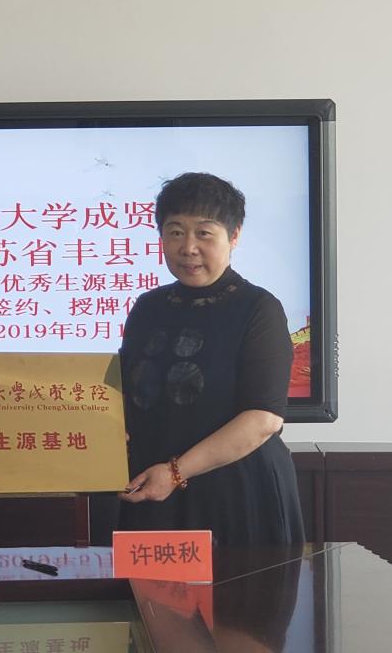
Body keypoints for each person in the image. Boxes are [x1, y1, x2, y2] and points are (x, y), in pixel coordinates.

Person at [117, 172, 304, 546]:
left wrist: (175, 473)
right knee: (146, 586)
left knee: (242, 586)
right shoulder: (147, 307)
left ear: (233, 236)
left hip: (236, 492)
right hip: (152, 488)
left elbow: (263, 419)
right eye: (175, 232)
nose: (188, 247)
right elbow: (122, 393)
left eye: (204, 233)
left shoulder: (258, 309)